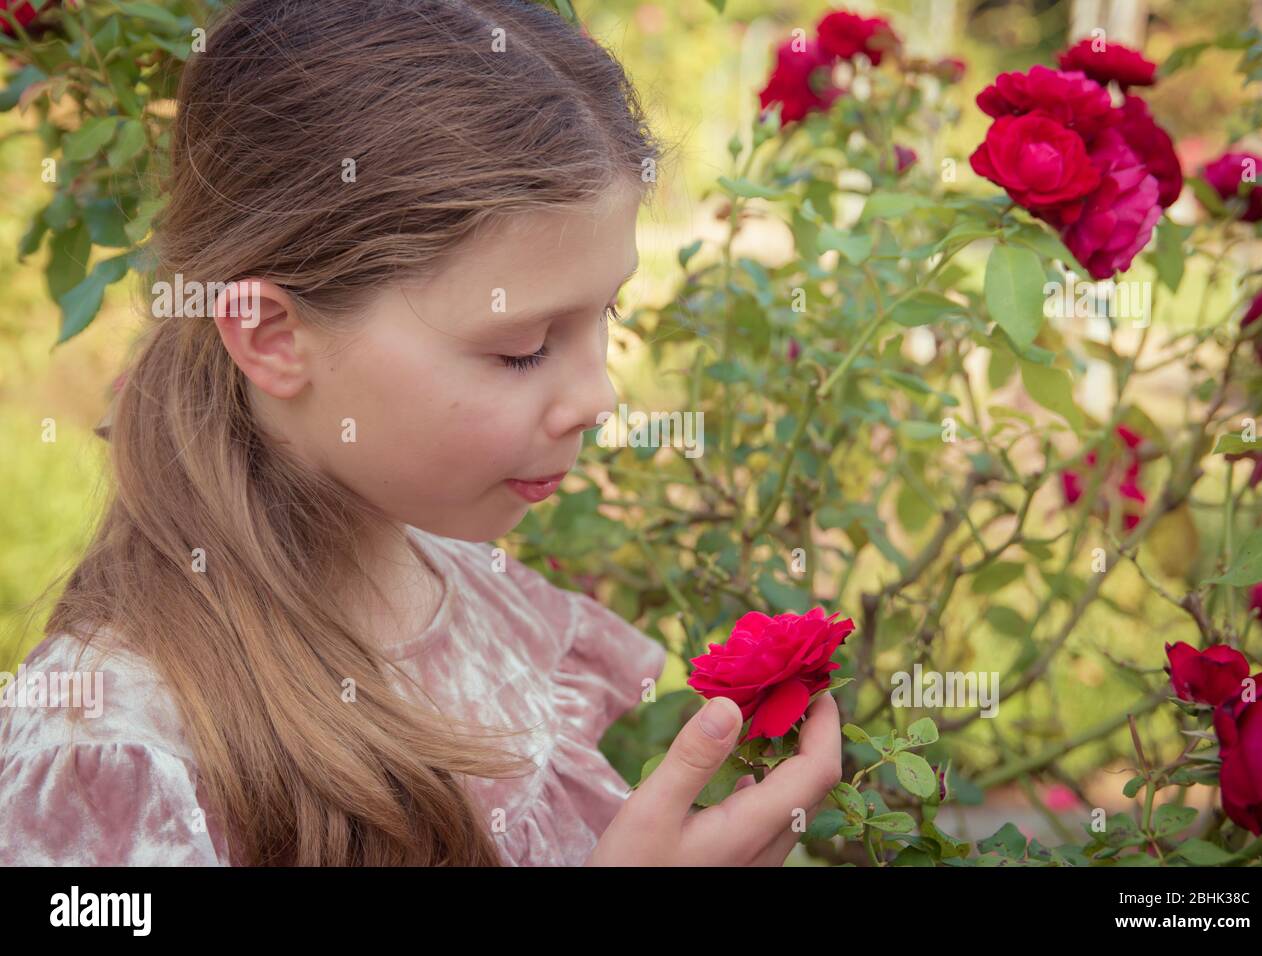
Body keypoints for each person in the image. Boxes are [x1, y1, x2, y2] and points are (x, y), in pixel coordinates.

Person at [0, 0, 841, 866]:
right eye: (522, 349)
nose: (600, 397)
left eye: (610, 313)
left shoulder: (476, 599)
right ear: (273, 337)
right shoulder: (114, 751)